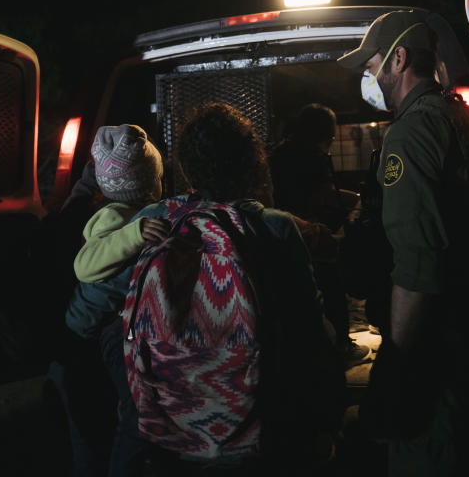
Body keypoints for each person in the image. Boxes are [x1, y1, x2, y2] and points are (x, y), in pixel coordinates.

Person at [73, 103, 344, 476]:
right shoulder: (276, 227)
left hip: (172, 417)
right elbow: (311, 326)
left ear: (184, 167)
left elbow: (93, 298)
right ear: (251, 163)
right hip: (255, 415)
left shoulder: (156, 220)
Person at [337, 10, 469, 476]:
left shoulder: (410, 134)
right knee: (455, 439)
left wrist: (396, 365)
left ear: (398, 59)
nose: (369, 78)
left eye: (371, 67)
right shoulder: (465, 118)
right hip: (467, 315)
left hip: (430, 334)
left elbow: (417, 262)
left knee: (422, 452)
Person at [53, 124, 167, 477]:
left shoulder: (143, 213)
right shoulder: (113, 217)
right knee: (96, 421)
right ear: (151, 180)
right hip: (80, 335)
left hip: (96, 331)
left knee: (105, 415)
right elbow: (85, 266)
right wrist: (133, 235)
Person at [269, 103, 367, 365]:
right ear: (325, 133)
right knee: (331, 286)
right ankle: (341, 347)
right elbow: (325, 195)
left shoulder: (279, 152)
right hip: (309, 231)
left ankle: (310, 351)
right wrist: (359, 201)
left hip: (281, 231)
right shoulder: (313, 156)